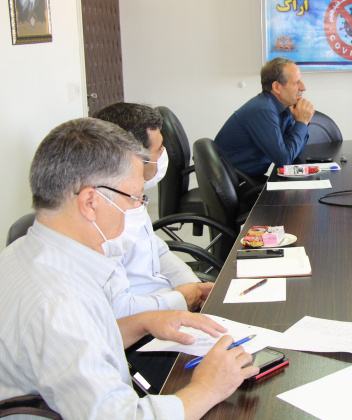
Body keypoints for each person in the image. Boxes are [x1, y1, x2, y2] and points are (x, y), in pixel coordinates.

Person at [0, 118, 259, 418]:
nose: (139, 209)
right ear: (90, 202)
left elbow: (76, 346)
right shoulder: (60, 300)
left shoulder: (23, 253)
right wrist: (206, 388)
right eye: (135, 198)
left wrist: (143, 323)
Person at [94, 102, 213, 316]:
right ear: (132, 157)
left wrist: (194, 288)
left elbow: (158, 251)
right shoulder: (103, 214)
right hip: (147, 321)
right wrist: (180, 299)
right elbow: (119, 311)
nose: (163, 154)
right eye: (158, 149)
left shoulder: (132, 197)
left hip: (167, 302)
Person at [215, 57, 315, 177]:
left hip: (249, 178)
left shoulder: (282, 108)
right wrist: (302, 122)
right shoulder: (263, 110)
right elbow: (284, 160)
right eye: (296, 83)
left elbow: (295, 151)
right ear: (277, 87)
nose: (303, 87)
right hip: (237, 183)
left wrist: (302, 121)